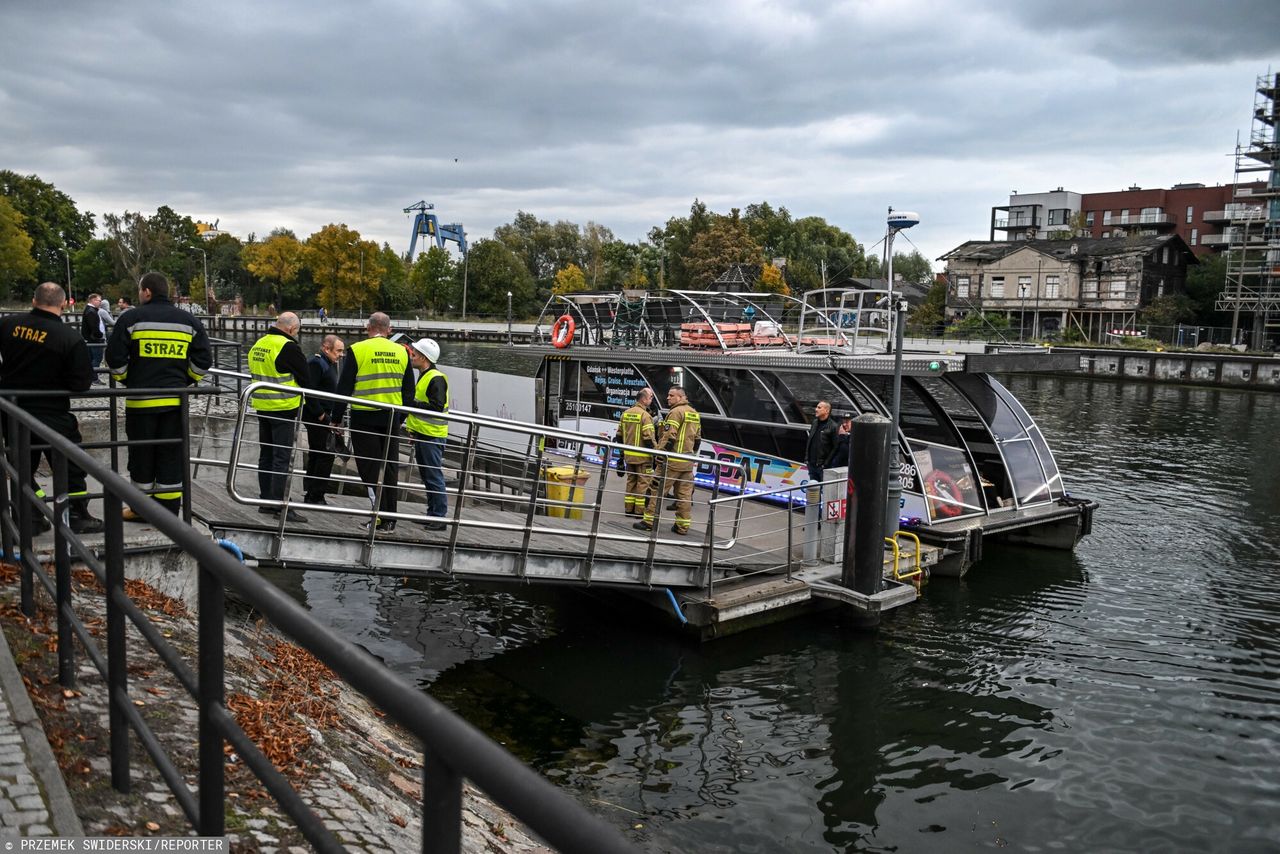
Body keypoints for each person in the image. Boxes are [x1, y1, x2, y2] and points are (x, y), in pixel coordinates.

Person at [105, 272, 212, 518]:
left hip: (141, 403)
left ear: (147, 292)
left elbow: (114, 358)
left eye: (140, 290)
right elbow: (204, 360)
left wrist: (127, 380)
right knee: (171, 456)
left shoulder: (131, 318)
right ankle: (169, 512)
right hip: (176, 404)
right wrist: (186, 381)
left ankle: (141, 509)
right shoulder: (189, 321)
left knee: (142, 456)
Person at [0, 283, 103, 533]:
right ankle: (77, 516)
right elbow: (81, 383)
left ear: (34, 301)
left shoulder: (7, 326)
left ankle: (31, 516)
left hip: (11, 409)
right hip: (52, 413)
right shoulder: (69, 338)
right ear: (62, 304)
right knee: (71, 467)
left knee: (21, 466)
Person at [332, 312, 414, 533]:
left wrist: (336, 419)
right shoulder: (403, 352)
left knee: (368, 468)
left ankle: (377, 515)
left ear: (368, 328)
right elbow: (409, 392)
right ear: (389, 330)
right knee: (389, 469)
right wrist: (400, 418)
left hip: (363, 418)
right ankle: (390, 519)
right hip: (391, 418)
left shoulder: (358, 350)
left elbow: (344, 388)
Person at [247, 312, 317, 522]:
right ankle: (280, 505)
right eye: (297, 330)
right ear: (289, 329)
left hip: (262, 406)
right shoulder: (288, 347)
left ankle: (266, 501)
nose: (297, 334)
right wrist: (318, 410)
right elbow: (306, 378)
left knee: (266, 455)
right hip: (284, 408)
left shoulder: (259, 344)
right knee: (282, 458)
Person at [636, 386, 701, 535]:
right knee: (684, 495)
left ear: (680, 397)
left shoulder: (675, 412)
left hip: (671, 461)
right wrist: (690, 455)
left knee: (655, 490)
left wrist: (660, 456)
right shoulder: (694, 414)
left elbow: (669, 437)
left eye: (671, 395)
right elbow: (697, 439)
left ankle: (648, 522)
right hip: (687, 461)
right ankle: (682, 527)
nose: (668, 398)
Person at [404, 338, 449, 531]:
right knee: (427, 476)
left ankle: (439, 517)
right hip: (423, 433)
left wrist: (410, 403)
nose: (411, 356)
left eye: (414, 354)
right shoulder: (426, 375)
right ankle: (432, 514)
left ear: (423, 357)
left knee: (433, 476)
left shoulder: (435, 378)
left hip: (432, 435)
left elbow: (436, 407)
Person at [303, 334, 345, 505]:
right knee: (324, 454)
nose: (341, 354)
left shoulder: (328, 363)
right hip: (318, 416)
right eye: (339, 351)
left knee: (319, 453)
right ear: (326, 348)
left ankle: (313, 493)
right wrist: (321, 415)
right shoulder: (316, 363)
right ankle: (315, 495)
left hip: (326, 416)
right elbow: (309, 391)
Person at [614, 387, 655, 517]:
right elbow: (649, 439)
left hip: (629, 456)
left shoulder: (626, 413)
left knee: (631, 481)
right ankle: (639, 511)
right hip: (643, 458)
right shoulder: (645, 416)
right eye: (650, 397)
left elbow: (619, 436)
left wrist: (622, 454)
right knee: (643, 483)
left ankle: (628, 509)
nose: (651, 400)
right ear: (644, 399)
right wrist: (656, 454)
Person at [806, 400, 841, 483]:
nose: (816, 409)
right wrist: (807, 459)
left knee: (824, 491)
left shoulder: (833, 426)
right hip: (811, 464)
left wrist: (825, 464)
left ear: (827, 411)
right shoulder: (814, 422)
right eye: (816, 407)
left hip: (822, 467)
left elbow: (836, 447)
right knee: (813, 491)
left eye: (819, 407)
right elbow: (810, 440)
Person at [80, 293, 107, 378]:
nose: (100, 302)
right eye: (99, 300)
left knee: (92, 359)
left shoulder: (90, 310)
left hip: (91, 339)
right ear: (93, 300)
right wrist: (100, 335)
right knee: (97, 359)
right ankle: (93, 378)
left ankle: (90, 377)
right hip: (95, 339)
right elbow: (94, 327)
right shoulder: (91, 311)